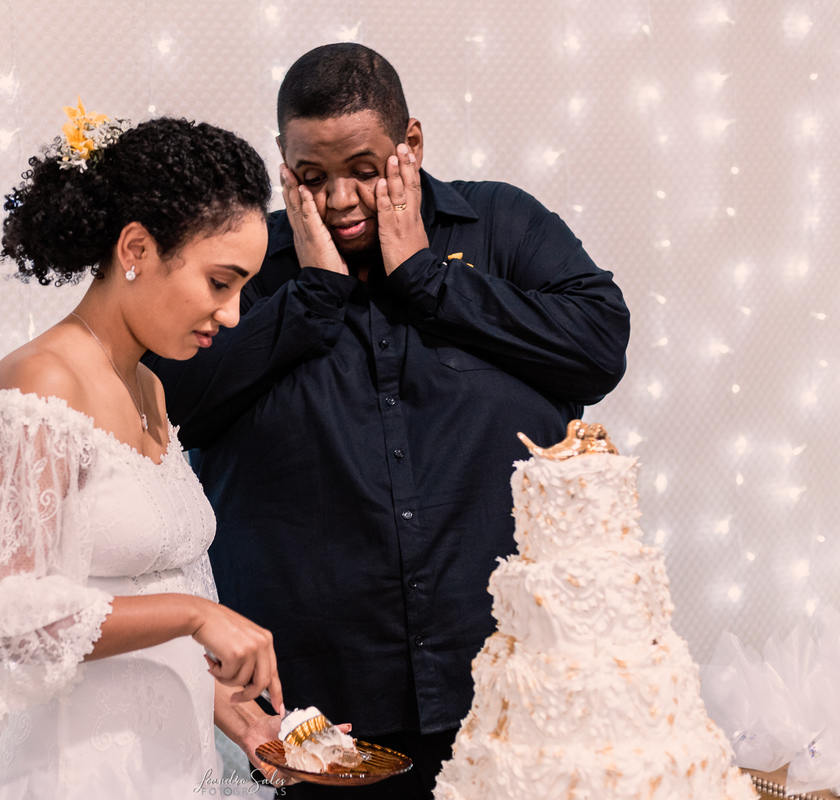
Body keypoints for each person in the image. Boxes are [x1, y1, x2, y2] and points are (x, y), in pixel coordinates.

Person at [145, 44, 631, 798]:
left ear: (413, 144)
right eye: (312, 177)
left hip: (511, 685)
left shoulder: (499, 226)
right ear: (282, 160)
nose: (339, 200)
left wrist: (426, 279)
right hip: (325, 707)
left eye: (364, 171)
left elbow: (599, 350)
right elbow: (175, 405)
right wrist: (308, 299)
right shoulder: (245, 263)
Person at [0, 113, 291, 799]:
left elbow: (136, 590)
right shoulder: (41, 379)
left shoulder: (149, 386)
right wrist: (194, 614)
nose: (235, 316)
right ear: (137, 248)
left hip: (177, 773)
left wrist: (231, 716)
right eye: (220, 282)